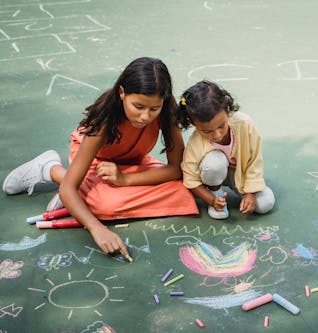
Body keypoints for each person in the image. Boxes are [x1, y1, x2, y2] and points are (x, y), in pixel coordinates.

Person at [3, 57, 198, 258]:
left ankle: (87, 192)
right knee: (105, 205)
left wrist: (125, 180)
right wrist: (98, 229)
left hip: (132, 164)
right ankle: (50, 169)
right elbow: (68, 189)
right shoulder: (104, 122)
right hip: (95, 163)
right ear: (122, 93)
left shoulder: (167, 113)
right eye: (138, 106)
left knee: (185, 189)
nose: (145, 117)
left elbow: (176, 170)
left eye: (153, 109)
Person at [176, 80, 275, 220]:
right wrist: (211, 199)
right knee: (214, 163)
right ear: (194, 124)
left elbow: (255, 159)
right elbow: (190, 178)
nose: (217, 135)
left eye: (221, 126)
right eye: (207, 131)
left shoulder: (245, 124)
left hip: (240, 175)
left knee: (265, 203)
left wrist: (250, 192)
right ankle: (217, 193)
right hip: (212, 176)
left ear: (227, 110)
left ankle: (242, 191)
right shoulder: (196, 142)